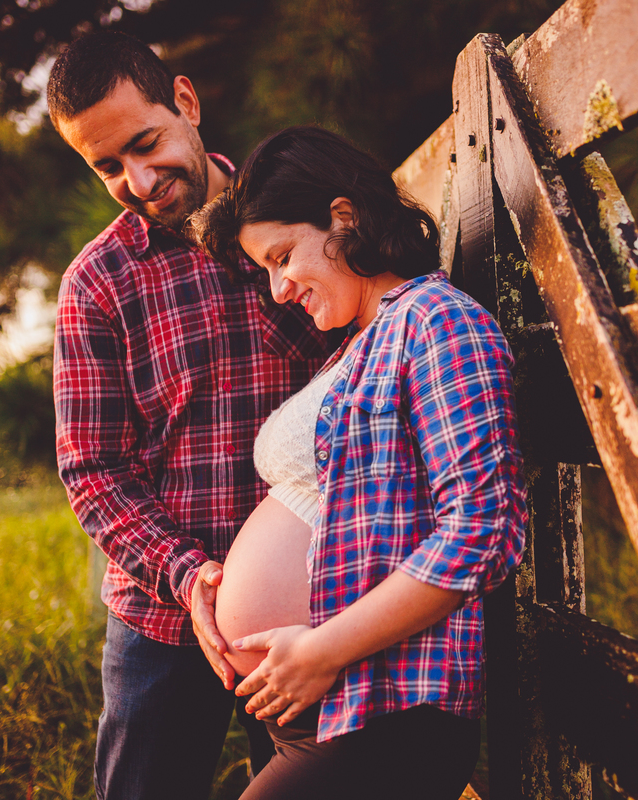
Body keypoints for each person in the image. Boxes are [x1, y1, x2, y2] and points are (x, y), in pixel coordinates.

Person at [187, 125, 527, 799]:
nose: (279, 288)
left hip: (384, 711)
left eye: (283, 256)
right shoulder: (357, 345)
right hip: (326, 711)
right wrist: (218, 581)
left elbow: (483, 529)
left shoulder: (436, 320)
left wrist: (322, 649)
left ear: (343, 216)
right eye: (266, 270)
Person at [47, 33, 329, 800]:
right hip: (163, 621)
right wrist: (187, 572)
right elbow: (93, 470)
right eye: (108, 166)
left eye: (146, 143)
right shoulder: (96, 285)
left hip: (314, 610)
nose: (138, 181)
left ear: (187, 103)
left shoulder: (296, 224)